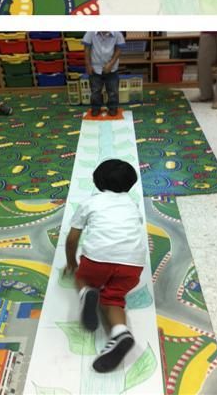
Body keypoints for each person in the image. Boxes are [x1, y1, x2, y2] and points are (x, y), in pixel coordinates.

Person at [64, 159, 145, 372]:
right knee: (114, 299)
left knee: (82, 277)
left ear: (97, 181)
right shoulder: (132, 205)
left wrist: (72, 262)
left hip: (97, 261)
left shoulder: (91, 203)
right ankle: (120, 332)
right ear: (130, 184)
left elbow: (72, 239)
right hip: (132, 265)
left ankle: (87, 293)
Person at [82, 31, 125, 117]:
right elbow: (87, 49)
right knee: (95, 91)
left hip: (112, 68)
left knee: (113, 91)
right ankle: (96, 108)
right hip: (95, 68)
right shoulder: (90, 33)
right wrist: (88, 65)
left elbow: (119, 50)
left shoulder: (117, 34)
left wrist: (111, 64)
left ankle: (113, 108)